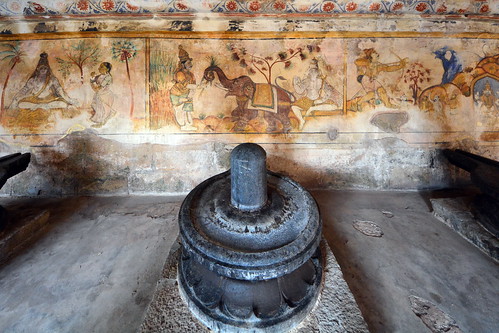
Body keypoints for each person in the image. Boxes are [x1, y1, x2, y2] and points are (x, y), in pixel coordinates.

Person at [9, 52, 78, 110]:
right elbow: (24, 90)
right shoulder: (33, 80)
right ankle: (40, 106)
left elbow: (59, 90)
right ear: (38, 69)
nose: (43, 70)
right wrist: (16, 98)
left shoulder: (52, 79)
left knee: (62, 104)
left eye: (45, 68)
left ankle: (42, 106)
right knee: (21, 104)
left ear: (48, 69)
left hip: (48, 99)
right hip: (35, 100)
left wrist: (68, 99)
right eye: (41, 68)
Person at [170, 45, 197, 131]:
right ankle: (184, 124)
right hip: (177, 95)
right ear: (183, 64)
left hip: (186, 94)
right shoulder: (179, 73)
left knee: (188, 107)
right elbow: (186, 85)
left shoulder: (191, 74)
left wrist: (192, 93)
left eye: (190, 63)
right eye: (188, 63)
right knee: (182, 111)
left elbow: (193, 86)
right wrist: (198, 86)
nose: (190, 65)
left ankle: (189, 124)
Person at [89, 62, 115, 127]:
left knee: (103, 108)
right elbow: (93, 81)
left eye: (101, 67)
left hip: (105, 95)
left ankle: (101, 123)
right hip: (99, 94)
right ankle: (100, 120)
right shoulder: (99, 76)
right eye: (100, 67)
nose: (99, 68)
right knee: (97, 107)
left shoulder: (108, 77)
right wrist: (92, 77)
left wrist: (94, 84)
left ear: (107, 69)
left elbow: (99, 87)